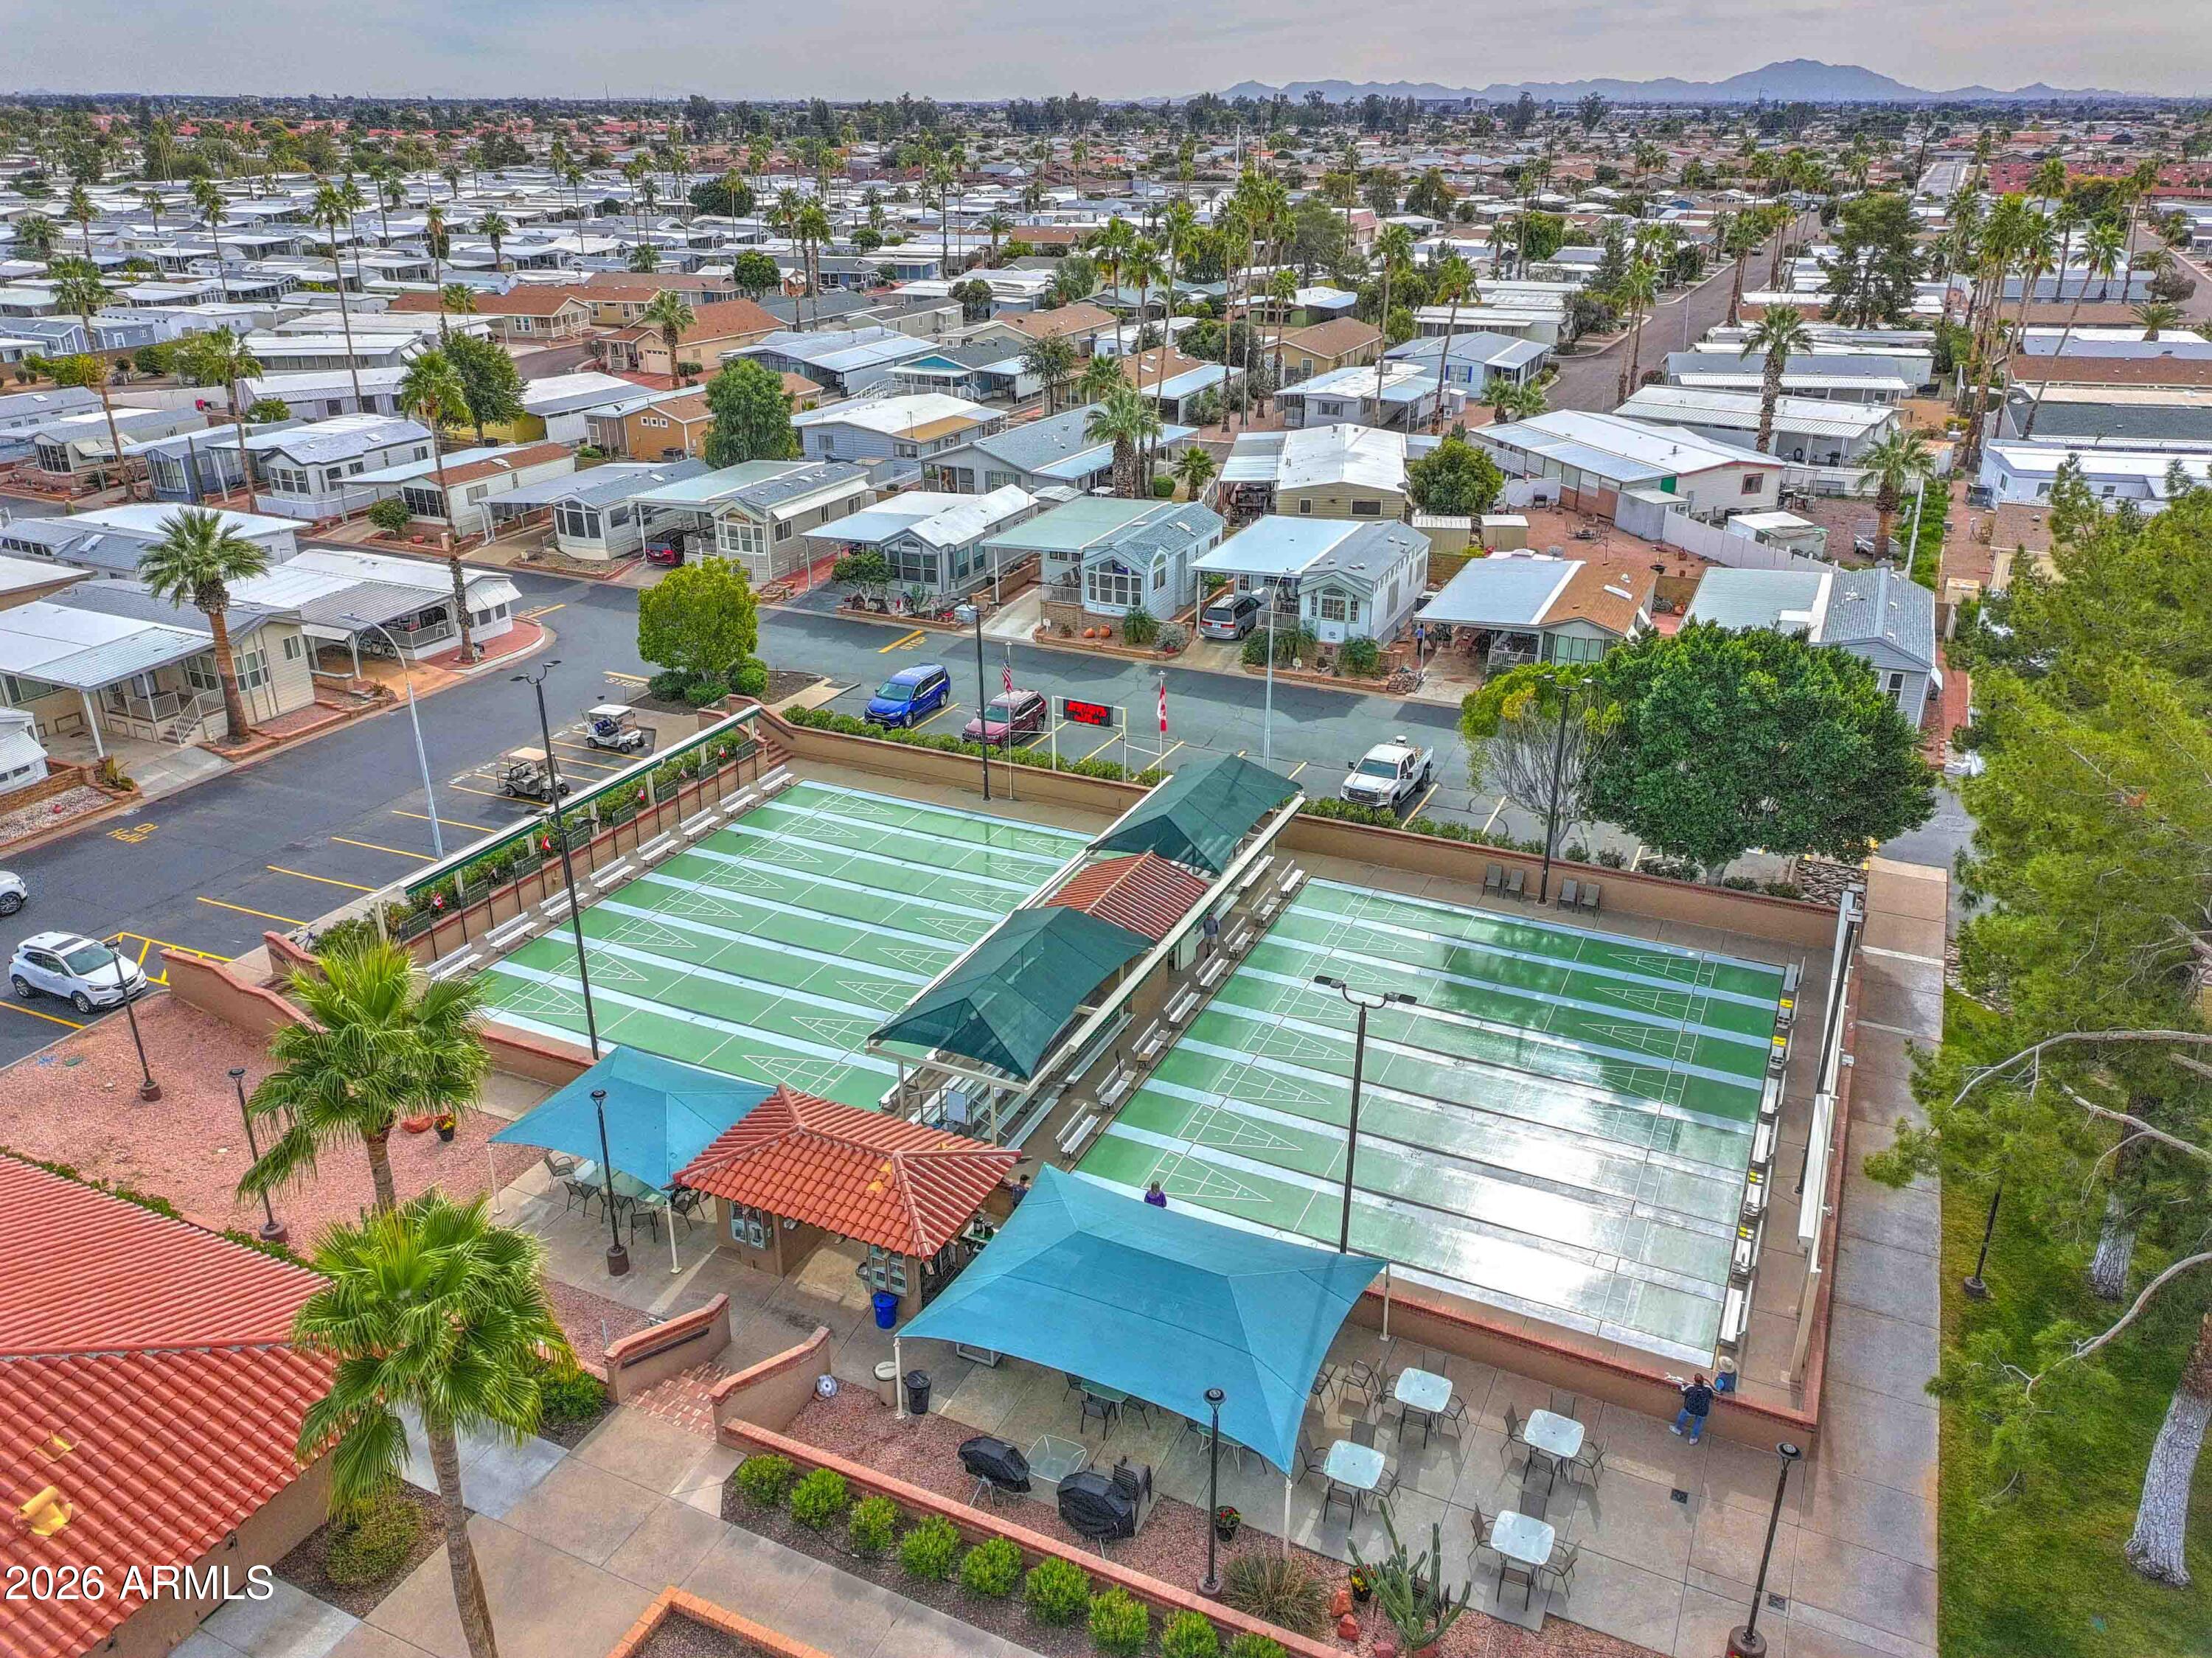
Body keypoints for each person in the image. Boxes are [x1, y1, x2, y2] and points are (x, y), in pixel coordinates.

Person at [1666, 1372, 1716, 1442]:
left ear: (1694, 1380)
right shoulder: (1708, 1389)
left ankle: (1678, 1429)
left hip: (1690, 1409)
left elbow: (1683, 1391)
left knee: (1682, 1415)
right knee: (1699, 1423)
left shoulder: (1691, 1388)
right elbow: (1713, 1394)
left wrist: (1684, 1384)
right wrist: (1708, 1381)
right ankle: (1693, 1438)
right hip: (1703, 1411)